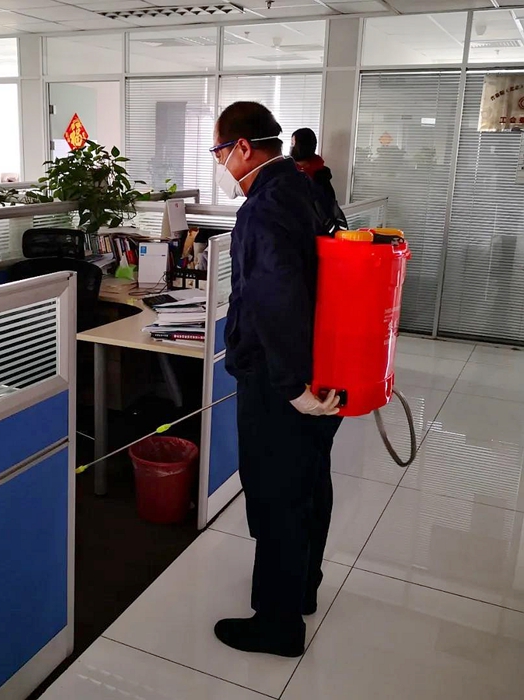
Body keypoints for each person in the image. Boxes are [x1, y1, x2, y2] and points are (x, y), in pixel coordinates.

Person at [210, 102, 342, 658]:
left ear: (242, 147)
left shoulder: (263, 209)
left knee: (275, 495)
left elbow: (275, 300)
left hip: (280, 381)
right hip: (323, 366)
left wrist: (292, 388)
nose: (220, 163)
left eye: (219, 151)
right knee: (309, 484)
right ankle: (301, 588)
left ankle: (277, 624)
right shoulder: (307, 187)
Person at [291, 127, 347, 232]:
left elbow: (328, 207)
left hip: (315, 232)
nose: (291, 148)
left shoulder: (321, 175)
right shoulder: (287, 171)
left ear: (301, 146)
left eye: (293, 144)